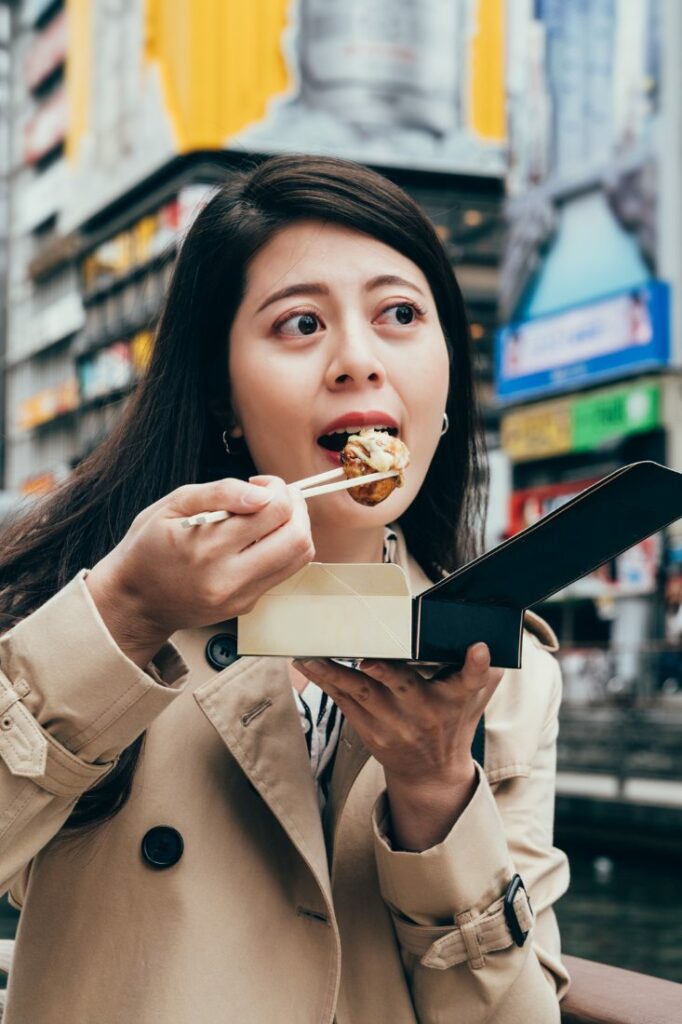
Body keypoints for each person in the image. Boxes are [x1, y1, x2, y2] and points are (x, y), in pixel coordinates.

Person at [0, 155, 569, 1023]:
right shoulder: (83, 600)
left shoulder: (496, 663)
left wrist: (437, 793)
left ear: (447, 377)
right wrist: (128, 612)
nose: (357, 359)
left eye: (401, 315)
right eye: (300, 323)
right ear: (224, 395)